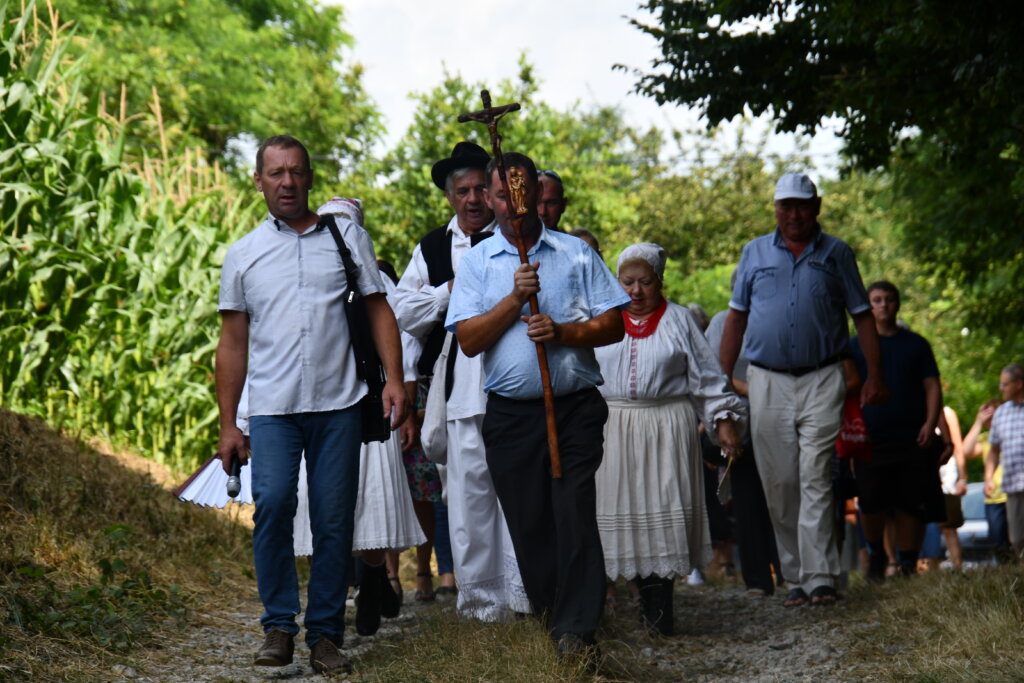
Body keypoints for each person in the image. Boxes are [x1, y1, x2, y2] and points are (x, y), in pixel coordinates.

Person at [215, 136, 407, 674]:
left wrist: (395, 380)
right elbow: (232, 343)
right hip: (273, 408)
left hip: (340, 402)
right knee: (273, 504)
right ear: (258, 181)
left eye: (296, 171)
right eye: (275, 173)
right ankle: (279, 626)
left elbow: (378, 309)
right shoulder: (244, 254)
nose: (286, 182)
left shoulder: (345, 240)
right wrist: (229, 424)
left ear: (310, 178)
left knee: (333, 520)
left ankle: (324, 635)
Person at [446, 152, 629, 662]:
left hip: (573, 408)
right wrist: (512, 299)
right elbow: (468, 340)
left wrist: (565, 332)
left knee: (572, 512)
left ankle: (578, 631)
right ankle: (553, 618)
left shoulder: (573, 254)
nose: (512, 205)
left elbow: (614, 324)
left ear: (533, 193)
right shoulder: (478, 263)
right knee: (529, 523)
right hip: (510, 417)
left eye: (520, 193)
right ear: (489, 197)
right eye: (501, 195)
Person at [720, 172, 887, 608]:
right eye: (785, 205)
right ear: (775, 209)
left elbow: (862, 318)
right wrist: (720, 381)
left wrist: (874, 376)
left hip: (822, 377)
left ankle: (820, 578)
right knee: (779, 482)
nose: (793, 214)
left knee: (816, 476)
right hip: (767, 380)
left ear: (817, 207)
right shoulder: (753, 253)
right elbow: (735, 319)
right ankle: (794, 575)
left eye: (802, 205)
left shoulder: (837, 254)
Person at [395, 141, 529, 621]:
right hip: (455, 385)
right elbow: (403, 311)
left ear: (496, 196)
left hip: (514, 380)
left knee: (517, 492)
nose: (473, 199)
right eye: (463, 191)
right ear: (450, 196)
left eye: (481, 190)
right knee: (467, 497)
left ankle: (523, 598)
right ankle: (479, 606)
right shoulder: (432, 248)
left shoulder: (518, 240)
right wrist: (451, 291)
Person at [593, 243, 744, 635]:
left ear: (660, 282)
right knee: (619, 515)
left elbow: (708, 379)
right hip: (614, 427)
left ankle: (659, 615)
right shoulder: (602, 318)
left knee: (661, 511)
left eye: (646, 282)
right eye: (627, 282)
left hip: (666, 427)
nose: (636, 291)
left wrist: (723, 421)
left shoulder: (678, 320)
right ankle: (623, 605)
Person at [847, 281, 948, 580]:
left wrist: (930, 424)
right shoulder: (855, 346)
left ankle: (907, 562)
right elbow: (847, 388)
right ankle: (877, 556)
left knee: (910, 503)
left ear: (898, 303)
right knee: (871, 501)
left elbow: (932, 385)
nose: (883, 305)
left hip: (912, 437)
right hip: (868, 438)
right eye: (877, 300)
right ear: (869, 306)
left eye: (889, 299)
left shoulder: (916, 344)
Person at [706, 281, 782, 598]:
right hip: (742, 423)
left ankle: (791, 573)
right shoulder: (723, 322)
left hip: (780, 420)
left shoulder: (779, 321)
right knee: (748, 501)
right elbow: (713, 372)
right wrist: (754, 390)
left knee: (784, 496)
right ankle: (757, 580)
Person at [985, 364, 1024, 558]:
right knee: (1017, 539)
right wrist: (989, 478)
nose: (1001, 389)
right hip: (1012, 485)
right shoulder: (1001, 413)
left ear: (1018, 384)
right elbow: (993, 450)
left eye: (1004, 384)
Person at [964, 399, 1011, 558]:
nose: (990, 420)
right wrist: (978, 422)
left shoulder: (1014, 433)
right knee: (999, 543)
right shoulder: (985, 439)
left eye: (993, 415)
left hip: (1014, 493)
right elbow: (966, 451)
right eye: (987, 416)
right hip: (994, 498)